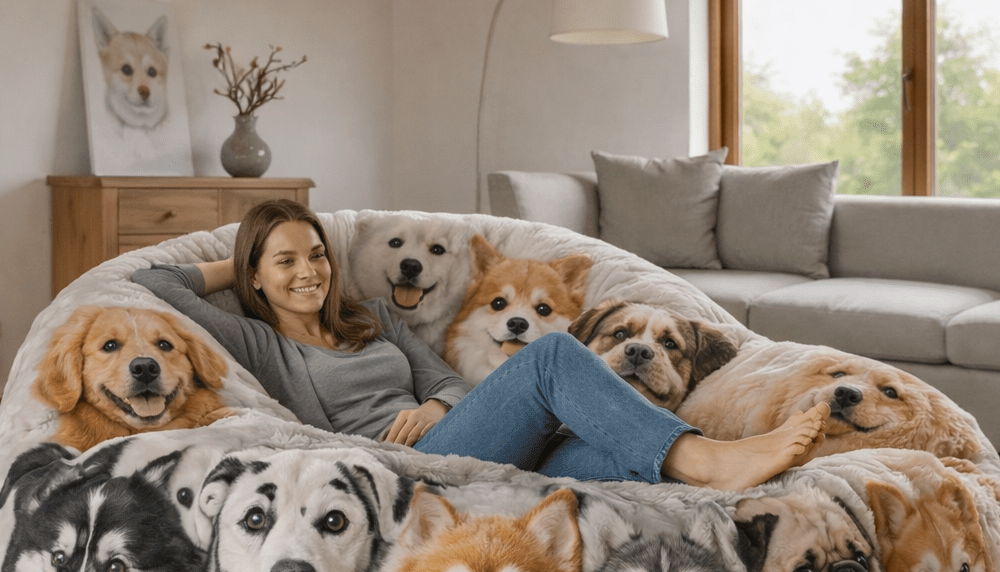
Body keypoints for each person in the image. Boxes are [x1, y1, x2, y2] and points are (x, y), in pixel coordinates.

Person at [132, 199, 828, 489]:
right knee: (551, 356)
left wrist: (436, 407)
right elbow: (155, 279)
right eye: (285, 261)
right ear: (257, 274)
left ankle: (731, 489)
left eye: (315, 253)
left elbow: (448, 385)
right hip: (399, 466)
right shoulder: (259, 343)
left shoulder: (374, 315)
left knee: (598, 456)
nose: (308, 270)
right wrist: (244, 255)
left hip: (450, 434)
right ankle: (708, 457)